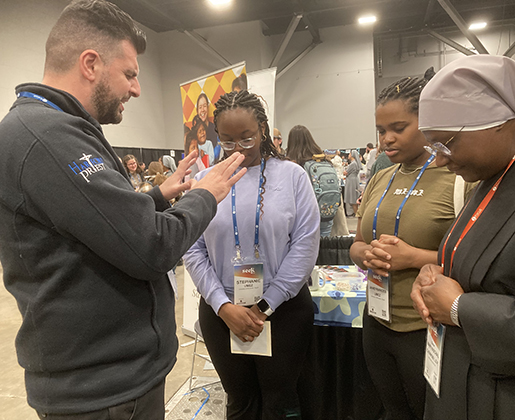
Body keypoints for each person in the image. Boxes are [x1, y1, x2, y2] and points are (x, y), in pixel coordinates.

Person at [0, 1, 247, 418]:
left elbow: (94, 220)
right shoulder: (47, 138)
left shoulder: (59, 129)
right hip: (104, 391)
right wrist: (205, 195)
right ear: (90, 64)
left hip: (113, 379)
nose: (136, 89)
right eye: (130, 74)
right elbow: (152, 246)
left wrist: (157, 196)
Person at [183, 90, 320, 420]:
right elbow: (193, 248)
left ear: (262, 129)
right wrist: (223, 306)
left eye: (247, 138)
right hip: (221, 312)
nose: (238, 150)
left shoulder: (292, 176)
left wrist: (264, 306)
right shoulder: (202, 181)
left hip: (283, 310)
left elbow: (305, 244)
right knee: (239, 401)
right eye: (228, 141)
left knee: (280, 401)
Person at [349, 71, 474, 420]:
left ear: (428, 122)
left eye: (399, 128)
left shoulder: (459, 179)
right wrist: (368, 255)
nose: (387, 139)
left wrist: (413, 258)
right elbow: (357, 244)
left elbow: (476, 259)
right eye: (381, 131)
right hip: (376, 322)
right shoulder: (380, 178)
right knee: (393, 411)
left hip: (428, 327)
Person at [411, 55, 515, 420]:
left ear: (499, 122)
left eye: (446, 143)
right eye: (433, 148)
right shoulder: (490, 182)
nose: (439, 160)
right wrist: (433, 274)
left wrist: (458, 308)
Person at [286, 124, 340, 237]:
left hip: (306, 219)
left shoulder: (297, 166)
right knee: (325, 244)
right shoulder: (325, 161)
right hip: (327, 215)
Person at [343, 150, 362, 216]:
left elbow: (345, 172)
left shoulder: (353, 164)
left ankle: (356, 213)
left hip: (351, 182)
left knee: (353, 198)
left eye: (349, 154)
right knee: (354, 197)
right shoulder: (355, 163)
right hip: (354, 180)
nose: (348, 155)